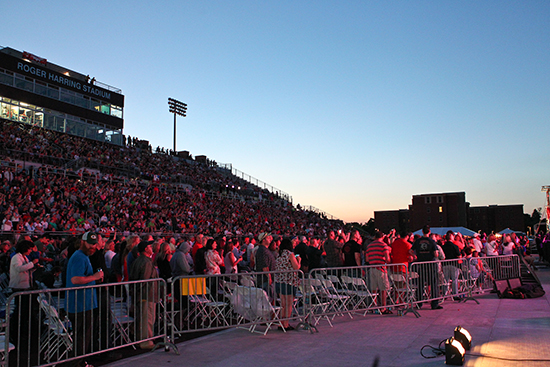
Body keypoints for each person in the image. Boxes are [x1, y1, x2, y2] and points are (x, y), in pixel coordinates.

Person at [66, 232, 104, 366]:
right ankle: (76, 364)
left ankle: (80, 363)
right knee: (81, 338)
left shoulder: (83, 256)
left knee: (83, 337)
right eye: (90, 243)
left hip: (84, 303)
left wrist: (95, 278)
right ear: (83, 242)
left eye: (95, 244)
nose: (93, 246)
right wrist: (95, 277)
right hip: (80, 303)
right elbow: (75, 279)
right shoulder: (79, 257)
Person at [128, 240, 158, 350]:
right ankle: (146, 341)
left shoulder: (138, 261)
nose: (152, 247)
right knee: (147, 318)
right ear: (146, 249)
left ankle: (142, 339)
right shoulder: (146, 262)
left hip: (142, 294)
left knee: (144, 317)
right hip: (146, 294)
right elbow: (144, 280)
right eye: (150, 246)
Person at [410, 225, 442, 310]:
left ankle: (419, 303)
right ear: (429, 232)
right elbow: (436, 254)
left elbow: (410, 251)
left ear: (422, 231)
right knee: (433, 284)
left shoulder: (418, 241)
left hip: (421, 264)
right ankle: (434, 303)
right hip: (431, 264)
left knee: (420, 284)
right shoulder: (431, 241)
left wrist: (416, 256)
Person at [274, 238, 301, 330]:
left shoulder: (279, 255)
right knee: (289, 304)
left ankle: (280, 323)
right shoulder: (290, 254)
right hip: (288, 282)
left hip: (279, 281)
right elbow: (296, 267)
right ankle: (286, 324)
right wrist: (299, 260)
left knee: (283, 304)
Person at [365, 231, 392, 314]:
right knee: (383, 289)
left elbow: (367, 259)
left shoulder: (369, 246)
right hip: (381, 269)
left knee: (374, 290)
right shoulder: (384, 245)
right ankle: (383, 307)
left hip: (372, 268)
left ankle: (374, 306)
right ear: (382, 237)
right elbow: (387, 259)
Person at [441, 231, 462, 300]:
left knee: (446, 280)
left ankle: (445, 293)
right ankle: (455, 294)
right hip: (454, 264)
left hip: (445, 264)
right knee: (454, 279)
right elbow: (458, 255)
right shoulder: (455, 246)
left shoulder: (443, 247)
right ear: (451, 238)